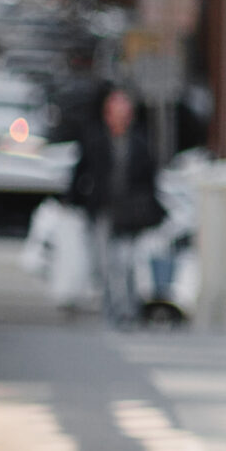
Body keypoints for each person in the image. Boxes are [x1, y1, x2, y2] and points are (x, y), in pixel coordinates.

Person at [66, 86, 166, 325]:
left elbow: (150, 180)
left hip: (131, 214)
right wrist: (74, 199)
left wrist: (153, 209)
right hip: (104, 210)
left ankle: (130, 310)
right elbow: (81, 172)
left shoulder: (140, 143)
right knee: (107, 264)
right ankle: (111, 310)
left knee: (129, 263)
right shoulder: (95, 139)